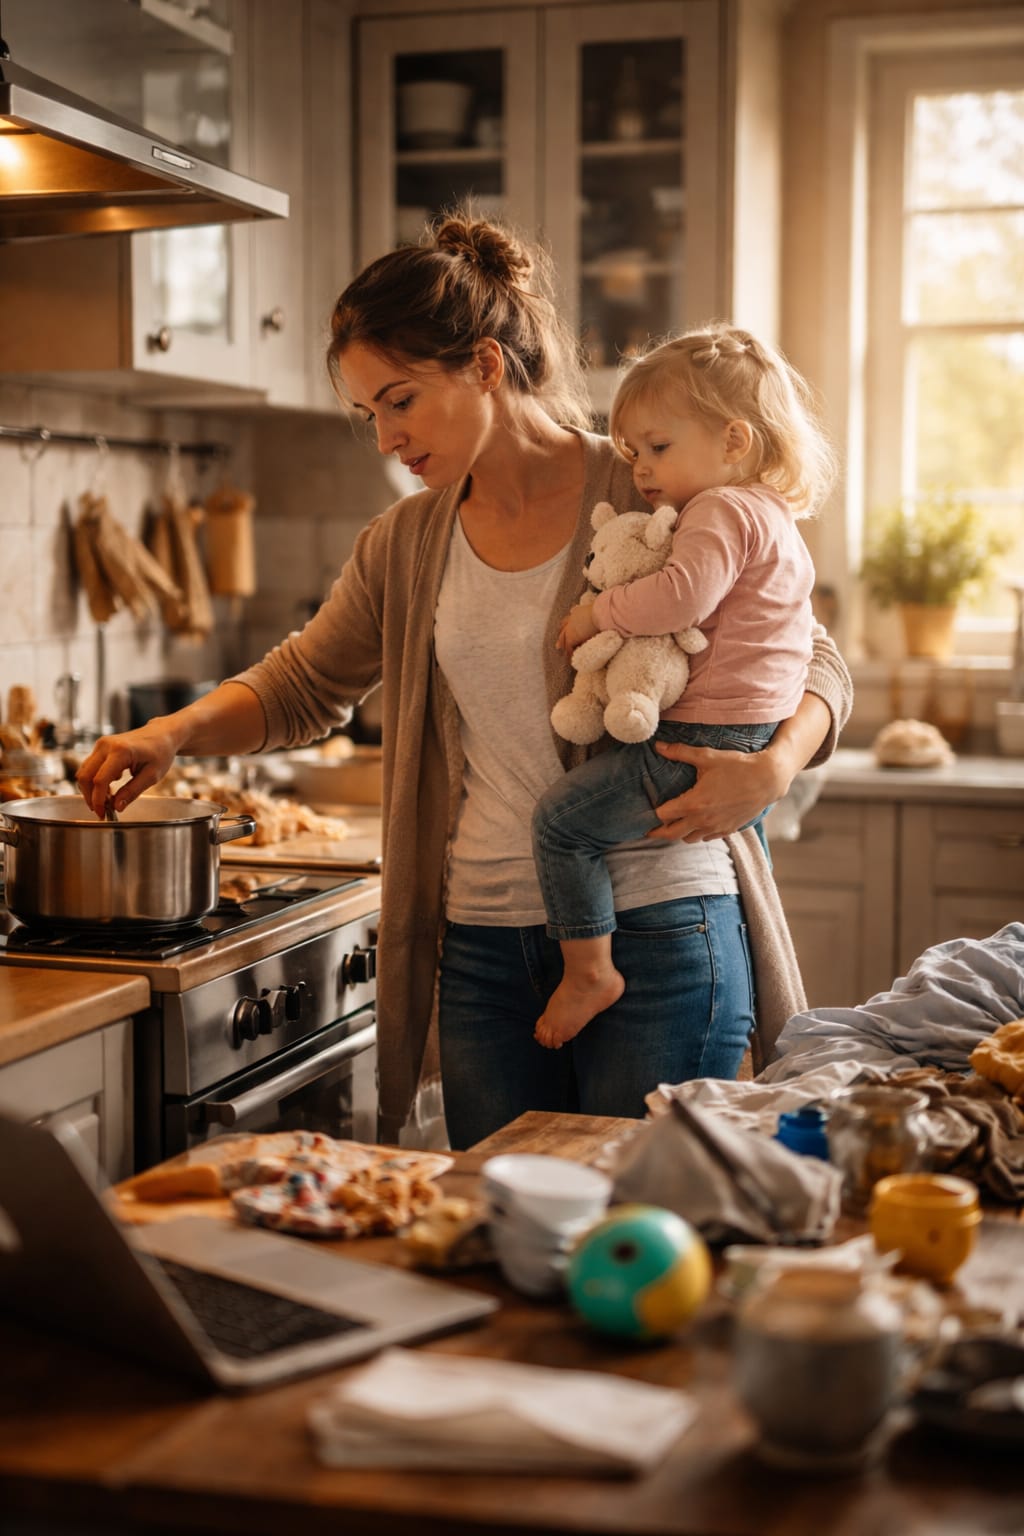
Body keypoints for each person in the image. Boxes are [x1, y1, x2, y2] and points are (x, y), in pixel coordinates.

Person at [77, 209, 852, 1151]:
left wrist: (776, 767)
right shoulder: (406, 541)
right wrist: (171, 734)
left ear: (486, 366)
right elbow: (301, 684)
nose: (385, 439)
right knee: (503, 1237)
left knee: (638, 1241)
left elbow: (807, 648)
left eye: (400, 400)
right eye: (369, 415)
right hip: (482, 942)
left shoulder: (648, 483)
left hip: (660, 924)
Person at [531, 324, 834, 1052]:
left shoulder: (719, 509)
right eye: (632, 452)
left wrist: (595, 612)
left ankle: (589, 971)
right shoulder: (774, 516)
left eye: (659, 448)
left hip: (699, 738)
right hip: (746, 734)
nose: (640, 471)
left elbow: (679, 600)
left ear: (734, 441)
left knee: (561, 825)